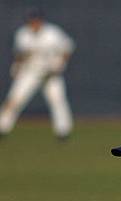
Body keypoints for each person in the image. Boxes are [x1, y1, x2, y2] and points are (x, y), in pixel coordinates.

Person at [0, 9, 75, 139]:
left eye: (36, 21)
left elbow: (67, 47)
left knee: (57, 101)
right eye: (32, 21)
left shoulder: (52, 32)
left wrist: (61, 63)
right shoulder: (23, 34)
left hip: (50, 73)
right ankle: (2, 128)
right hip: (30, 72)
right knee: (14, 100)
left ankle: (63, 132)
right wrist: (17, 66)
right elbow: (20, 54)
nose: (34, 24)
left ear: (41, 21)